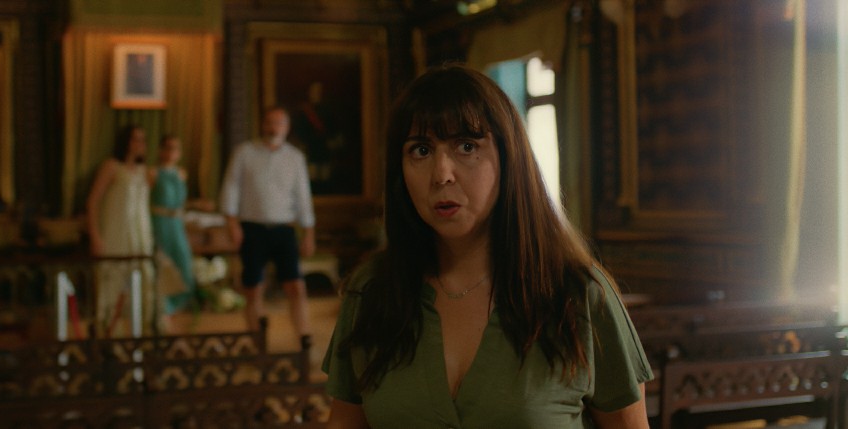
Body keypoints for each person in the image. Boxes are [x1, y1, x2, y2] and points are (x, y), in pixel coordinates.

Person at [323, 65, 652, 428]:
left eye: (467, 146)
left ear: (508, 158)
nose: (442, 174)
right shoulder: (372, 291)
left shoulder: (577, 294)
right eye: (421, 150)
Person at [219, 106, 316, 340]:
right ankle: (257, 339)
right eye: (270, 122)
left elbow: (303, 197)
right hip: (252, 229)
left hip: (284, 230)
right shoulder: (245, 152)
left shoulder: (295, 158)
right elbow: (231, 188)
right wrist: (232, 223)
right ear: (263, 124)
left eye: (279, 123)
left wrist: (308, 233)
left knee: (296, 286)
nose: (274, 127)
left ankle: (303, 337)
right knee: (253, 288)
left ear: (287, 127)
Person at [86, 124, 155, 338]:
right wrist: (95, 235)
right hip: (116, 234)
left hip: (140, 236)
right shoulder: (112, 167)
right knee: (112, 286)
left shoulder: (145, 172)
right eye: (136, 139)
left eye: (143, 140)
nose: (140, 144)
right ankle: (108, 335)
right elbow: (93, 202)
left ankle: (140, 335)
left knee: (142, 285)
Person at [150, 135, 196, 318]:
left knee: (183, 261)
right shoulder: (153, 173)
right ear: (160, 150)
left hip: (177, 223)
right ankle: (163, 305)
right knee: (163, 262)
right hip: (160, 222)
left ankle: (179, 305)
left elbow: (180, 202)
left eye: (176, 148)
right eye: (168, 148)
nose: (172, 152)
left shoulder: (181, 173)